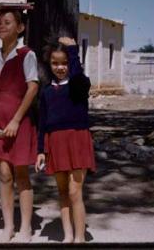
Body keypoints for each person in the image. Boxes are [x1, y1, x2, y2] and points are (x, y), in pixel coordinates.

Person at [0, 4, 39, 242]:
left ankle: (26, 226)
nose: (1, 26)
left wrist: (16, 120)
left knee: (21, 174)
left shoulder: (27, 55)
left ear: (21, 27)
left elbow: (33, 87)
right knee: (4, 174)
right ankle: (9, 226)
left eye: (7, 22)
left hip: (19, 123)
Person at [35, 36, 96, 243]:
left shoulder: (79, 85)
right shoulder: (47, 91)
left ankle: (79, 238)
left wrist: (73, 50)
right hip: (55, 143)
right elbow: (42, 122)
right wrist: (40, 150)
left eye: (64, 63)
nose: (60, 67)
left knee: (74, 191)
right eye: (55, 63)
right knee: (62, 191)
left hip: (77, 140)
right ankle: (67, 236)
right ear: (49, 64)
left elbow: (78, 77)